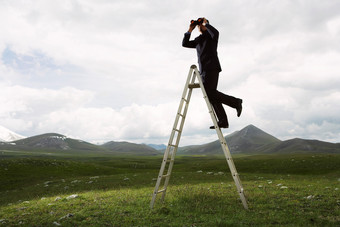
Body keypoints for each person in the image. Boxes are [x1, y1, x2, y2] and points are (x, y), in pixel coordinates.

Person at [182, 17, 243, 129]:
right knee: (211, 95)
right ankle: (223, 120)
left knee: (210, 93)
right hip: (203, 70)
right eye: (199, 25)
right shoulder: (198, 40)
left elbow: (216, 33)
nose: (200, 26)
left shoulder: (212, 36)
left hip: (212, 68)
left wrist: (206, 23)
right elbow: (185, 43)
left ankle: (236, 102)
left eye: (202, 24)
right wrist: (190, 29)